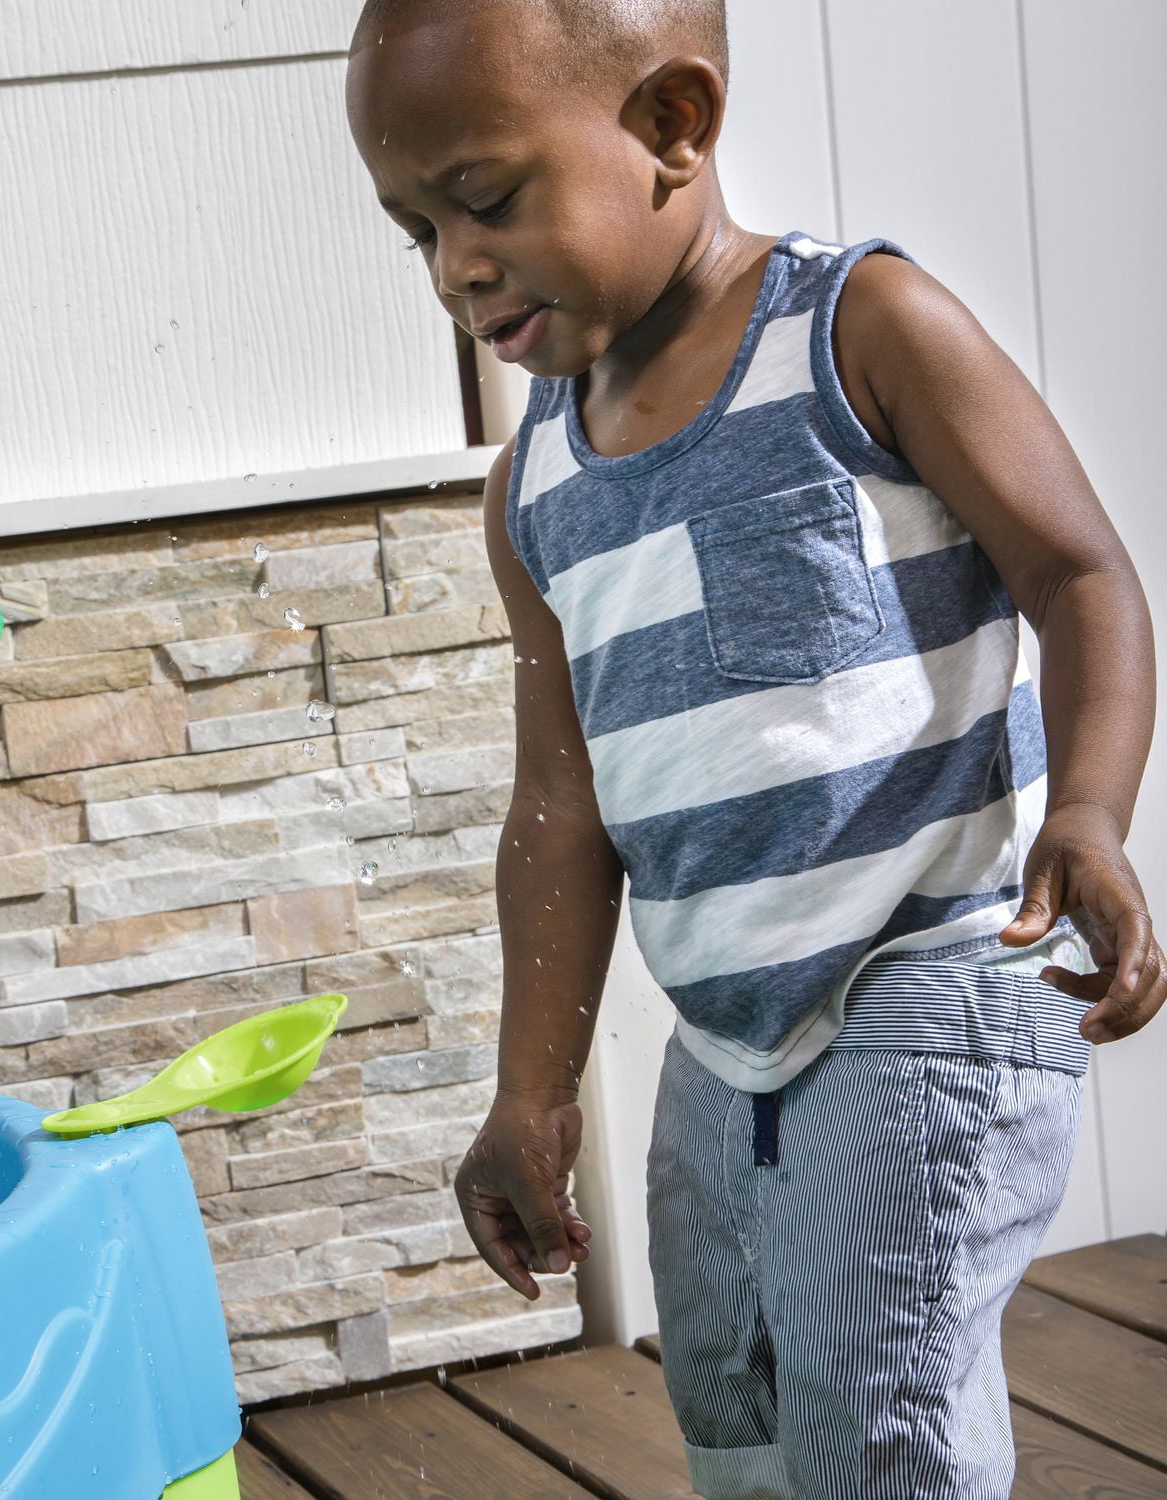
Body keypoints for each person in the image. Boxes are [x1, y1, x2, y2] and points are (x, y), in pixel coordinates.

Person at [345, 2, 1162, 1495]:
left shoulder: (861, 329)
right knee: (728, 1389)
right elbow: (560, 799)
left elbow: (1081, 576)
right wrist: (527, 1096)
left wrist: (1093, 810)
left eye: (485, 199)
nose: (456, 266)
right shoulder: (535, 479)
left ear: (672, 126)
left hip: (933, 969)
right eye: (415, 231)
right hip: (729, 1030)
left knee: (875, 1402)